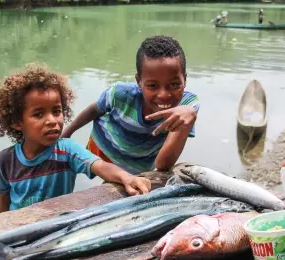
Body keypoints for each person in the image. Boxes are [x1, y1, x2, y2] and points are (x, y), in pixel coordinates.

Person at [0, 64, 151, 213]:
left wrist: (127, 177)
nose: (52, 120)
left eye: (56, 111)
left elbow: (101, 166)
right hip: (19, 229)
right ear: (17, 122)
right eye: (38, 114)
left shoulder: (67, 150)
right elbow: (4, 200)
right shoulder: (5, 160)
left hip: (58, 226)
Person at [61, 35, 200, 175]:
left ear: (185, 79)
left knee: (124, 184)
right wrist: (67, 133)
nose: (164, 95)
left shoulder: (187, 107)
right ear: (139, 81)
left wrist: (188, 121)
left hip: (140, 163)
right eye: (152, 86)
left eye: (174, 84)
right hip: (106, 148)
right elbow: (95, 109)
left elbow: (163, 165)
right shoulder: (120, 93)